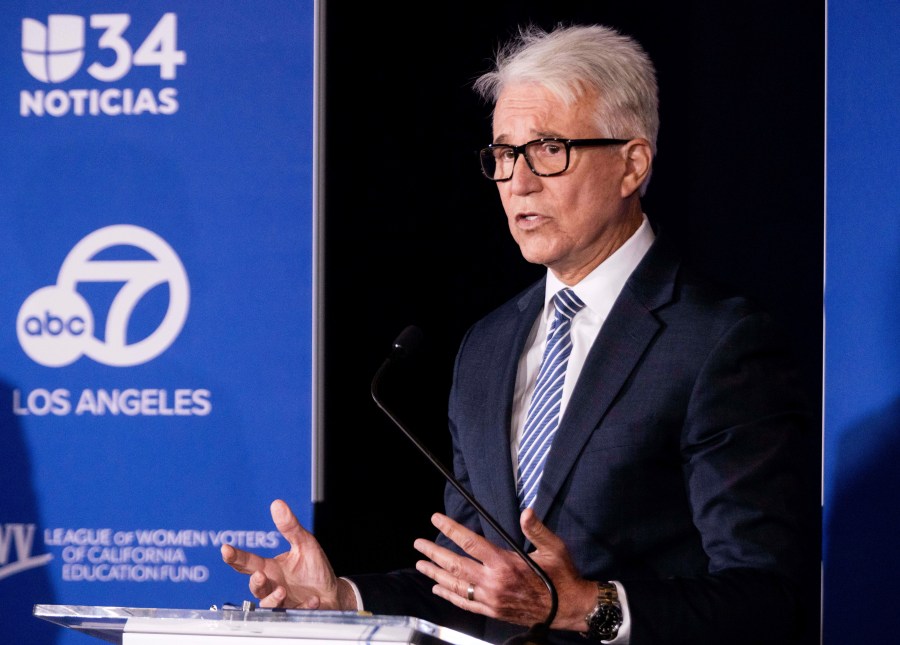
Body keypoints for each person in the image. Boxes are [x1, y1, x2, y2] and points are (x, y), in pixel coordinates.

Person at [222, 23, 817, 644]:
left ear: (631, 165)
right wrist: (344, 596)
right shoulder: (488, 346)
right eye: (504, 154)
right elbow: (480, 584)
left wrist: (583, 606)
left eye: (549, 149)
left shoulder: (718, 341)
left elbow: (768, 599)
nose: (519, 182)